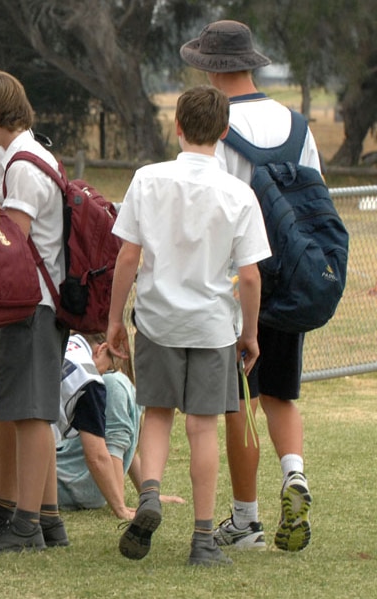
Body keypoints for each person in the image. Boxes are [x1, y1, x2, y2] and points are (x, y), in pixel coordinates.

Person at [106, 85, 270, 566]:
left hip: (157, 319)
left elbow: (127, 257)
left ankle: (150, 494)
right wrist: (250, 333)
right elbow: (251, 276)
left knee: (156, 414)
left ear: (176, 125)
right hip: (213, 325)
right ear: (223, 132)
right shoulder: (238, 192)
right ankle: (202, 539)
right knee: (202, 429)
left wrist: (114, 319)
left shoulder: (147, 179)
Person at [180, 20, 319, 552]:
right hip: (294, 275)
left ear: (208, 68)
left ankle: (245, 520)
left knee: (243, 399)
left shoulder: (214, 124)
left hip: (238, 281)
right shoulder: (298, 125)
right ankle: (295, 473)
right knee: (282, 392)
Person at [0, 70, 68, 553]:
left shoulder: (22, 164)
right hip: (39, 302)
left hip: (34, 303)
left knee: (31, 413)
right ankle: (44, 519)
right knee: (25, 409)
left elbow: (11, 240)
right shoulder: (31, 155)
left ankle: (26, 524)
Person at [55, 334, 185, 517]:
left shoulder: (119, 385)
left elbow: (125, 447)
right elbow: (110, 449)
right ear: (102, 349)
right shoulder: (111, 382)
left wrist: (149, 494)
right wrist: (120, 507)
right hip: (69, 485)